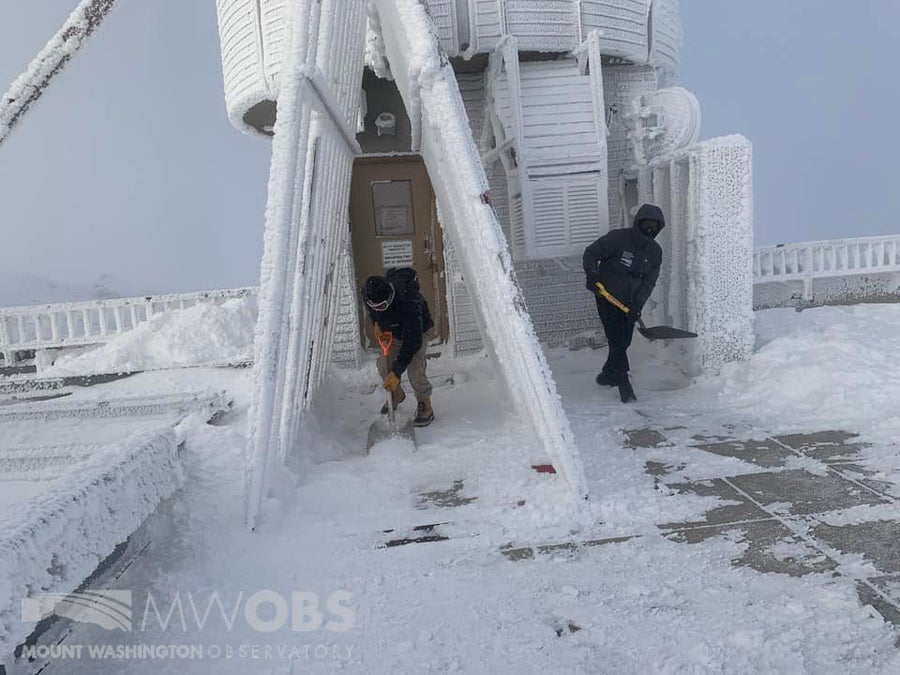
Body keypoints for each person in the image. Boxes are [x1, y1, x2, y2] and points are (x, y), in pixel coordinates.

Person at [582, 203, 665, 403]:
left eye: (655, 225)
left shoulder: (655, 252)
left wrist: (637, 306)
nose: (650, 228)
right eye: (647, 223)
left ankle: (607, 374)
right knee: (617, 340)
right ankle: (623, 384)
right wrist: (592, 276)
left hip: (628, 303)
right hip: (607, 297)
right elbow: (591, 253)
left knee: (624, 341)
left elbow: (648, 283)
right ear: (638, 222)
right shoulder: (618, 239)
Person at [362, 268, 435, 427]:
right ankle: (396, 395)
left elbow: (413, 343)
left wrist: (396, 372)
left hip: (417, 333)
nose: (376, 309)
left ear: (389, 299)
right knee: (383, 366)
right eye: (374, 306)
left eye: (381, 306)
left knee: (415, 371)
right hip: (393, 332)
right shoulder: (369, 293)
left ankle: (425, 404)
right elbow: (372, 309)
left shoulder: (409, 304)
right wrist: (376, 322)